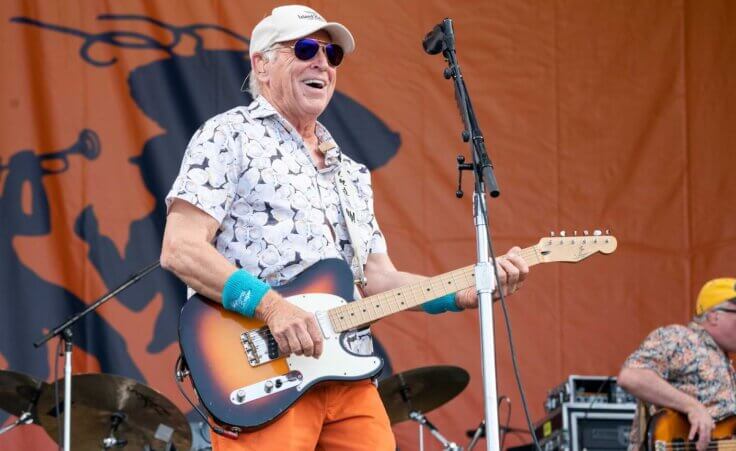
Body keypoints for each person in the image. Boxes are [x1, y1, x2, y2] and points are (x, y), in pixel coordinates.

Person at [160, 5, 529, 450]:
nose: (322, 62)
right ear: (262, 63)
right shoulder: (228, 135)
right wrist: (273, 308)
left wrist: (461, 291)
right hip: (265, 372)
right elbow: (180, 249)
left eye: (332, 55)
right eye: (305, 48)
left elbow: (378, 278)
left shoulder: (350, 172)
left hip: (346, 369)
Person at [618, 278, 736, 451]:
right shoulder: (681, 338)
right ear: (714, 315)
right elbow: (632, 376)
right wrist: (693, 407)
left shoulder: (725, 363)